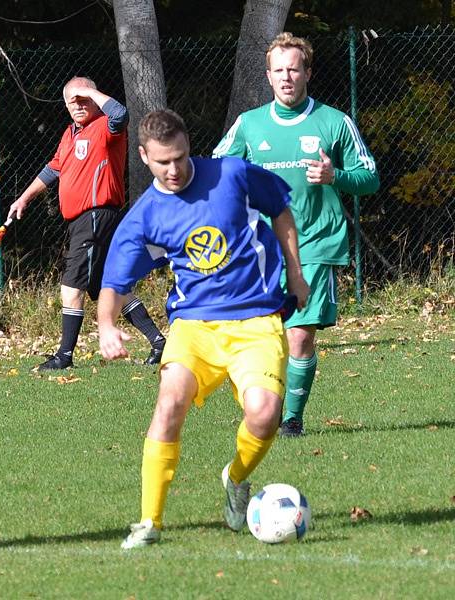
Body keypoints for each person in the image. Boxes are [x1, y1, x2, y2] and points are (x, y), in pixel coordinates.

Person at [97, 109, 310, 549]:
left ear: (189, 145)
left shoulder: (232, 175)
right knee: (169, 401)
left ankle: (235, 479)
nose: (173, 170)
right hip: (194, 324)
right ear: (143, 157)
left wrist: (295, 270)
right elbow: (115, 282)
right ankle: (149, 522)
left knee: (266, 415)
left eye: (179, 157)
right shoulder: (144, 217)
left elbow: (281, 209)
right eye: (161, 162)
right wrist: (105, 325)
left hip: (256, 318)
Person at [213, 32, 379, 437]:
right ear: (268, 76)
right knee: (264, 337)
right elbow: (218, 170)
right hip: (261, 250)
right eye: (278, 70)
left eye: (294, 69)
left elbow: (370, 177)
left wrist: (334, 175)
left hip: (316, 243)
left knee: (300, 336)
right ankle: (263, 405)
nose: (286, 76)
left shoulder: (334, 122)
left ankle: (290, 419)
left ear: (308, 73)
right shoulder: (249, 125)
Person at [7, 76, 165, 370]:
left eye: (84, 99)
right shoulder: (70, 135)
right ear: (65, 106)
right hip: (83, 220)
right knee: (105, 286)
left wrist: (88, 90)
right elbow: (53, 168)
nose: (79, 104)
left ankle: (64, 356)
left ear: (94, 98)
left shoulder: (105, 126)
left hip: (96, 216)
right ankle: (159, 342)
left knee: (72, 284)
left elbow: (121, 114)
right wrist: (24, 198)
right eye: (73, 100)